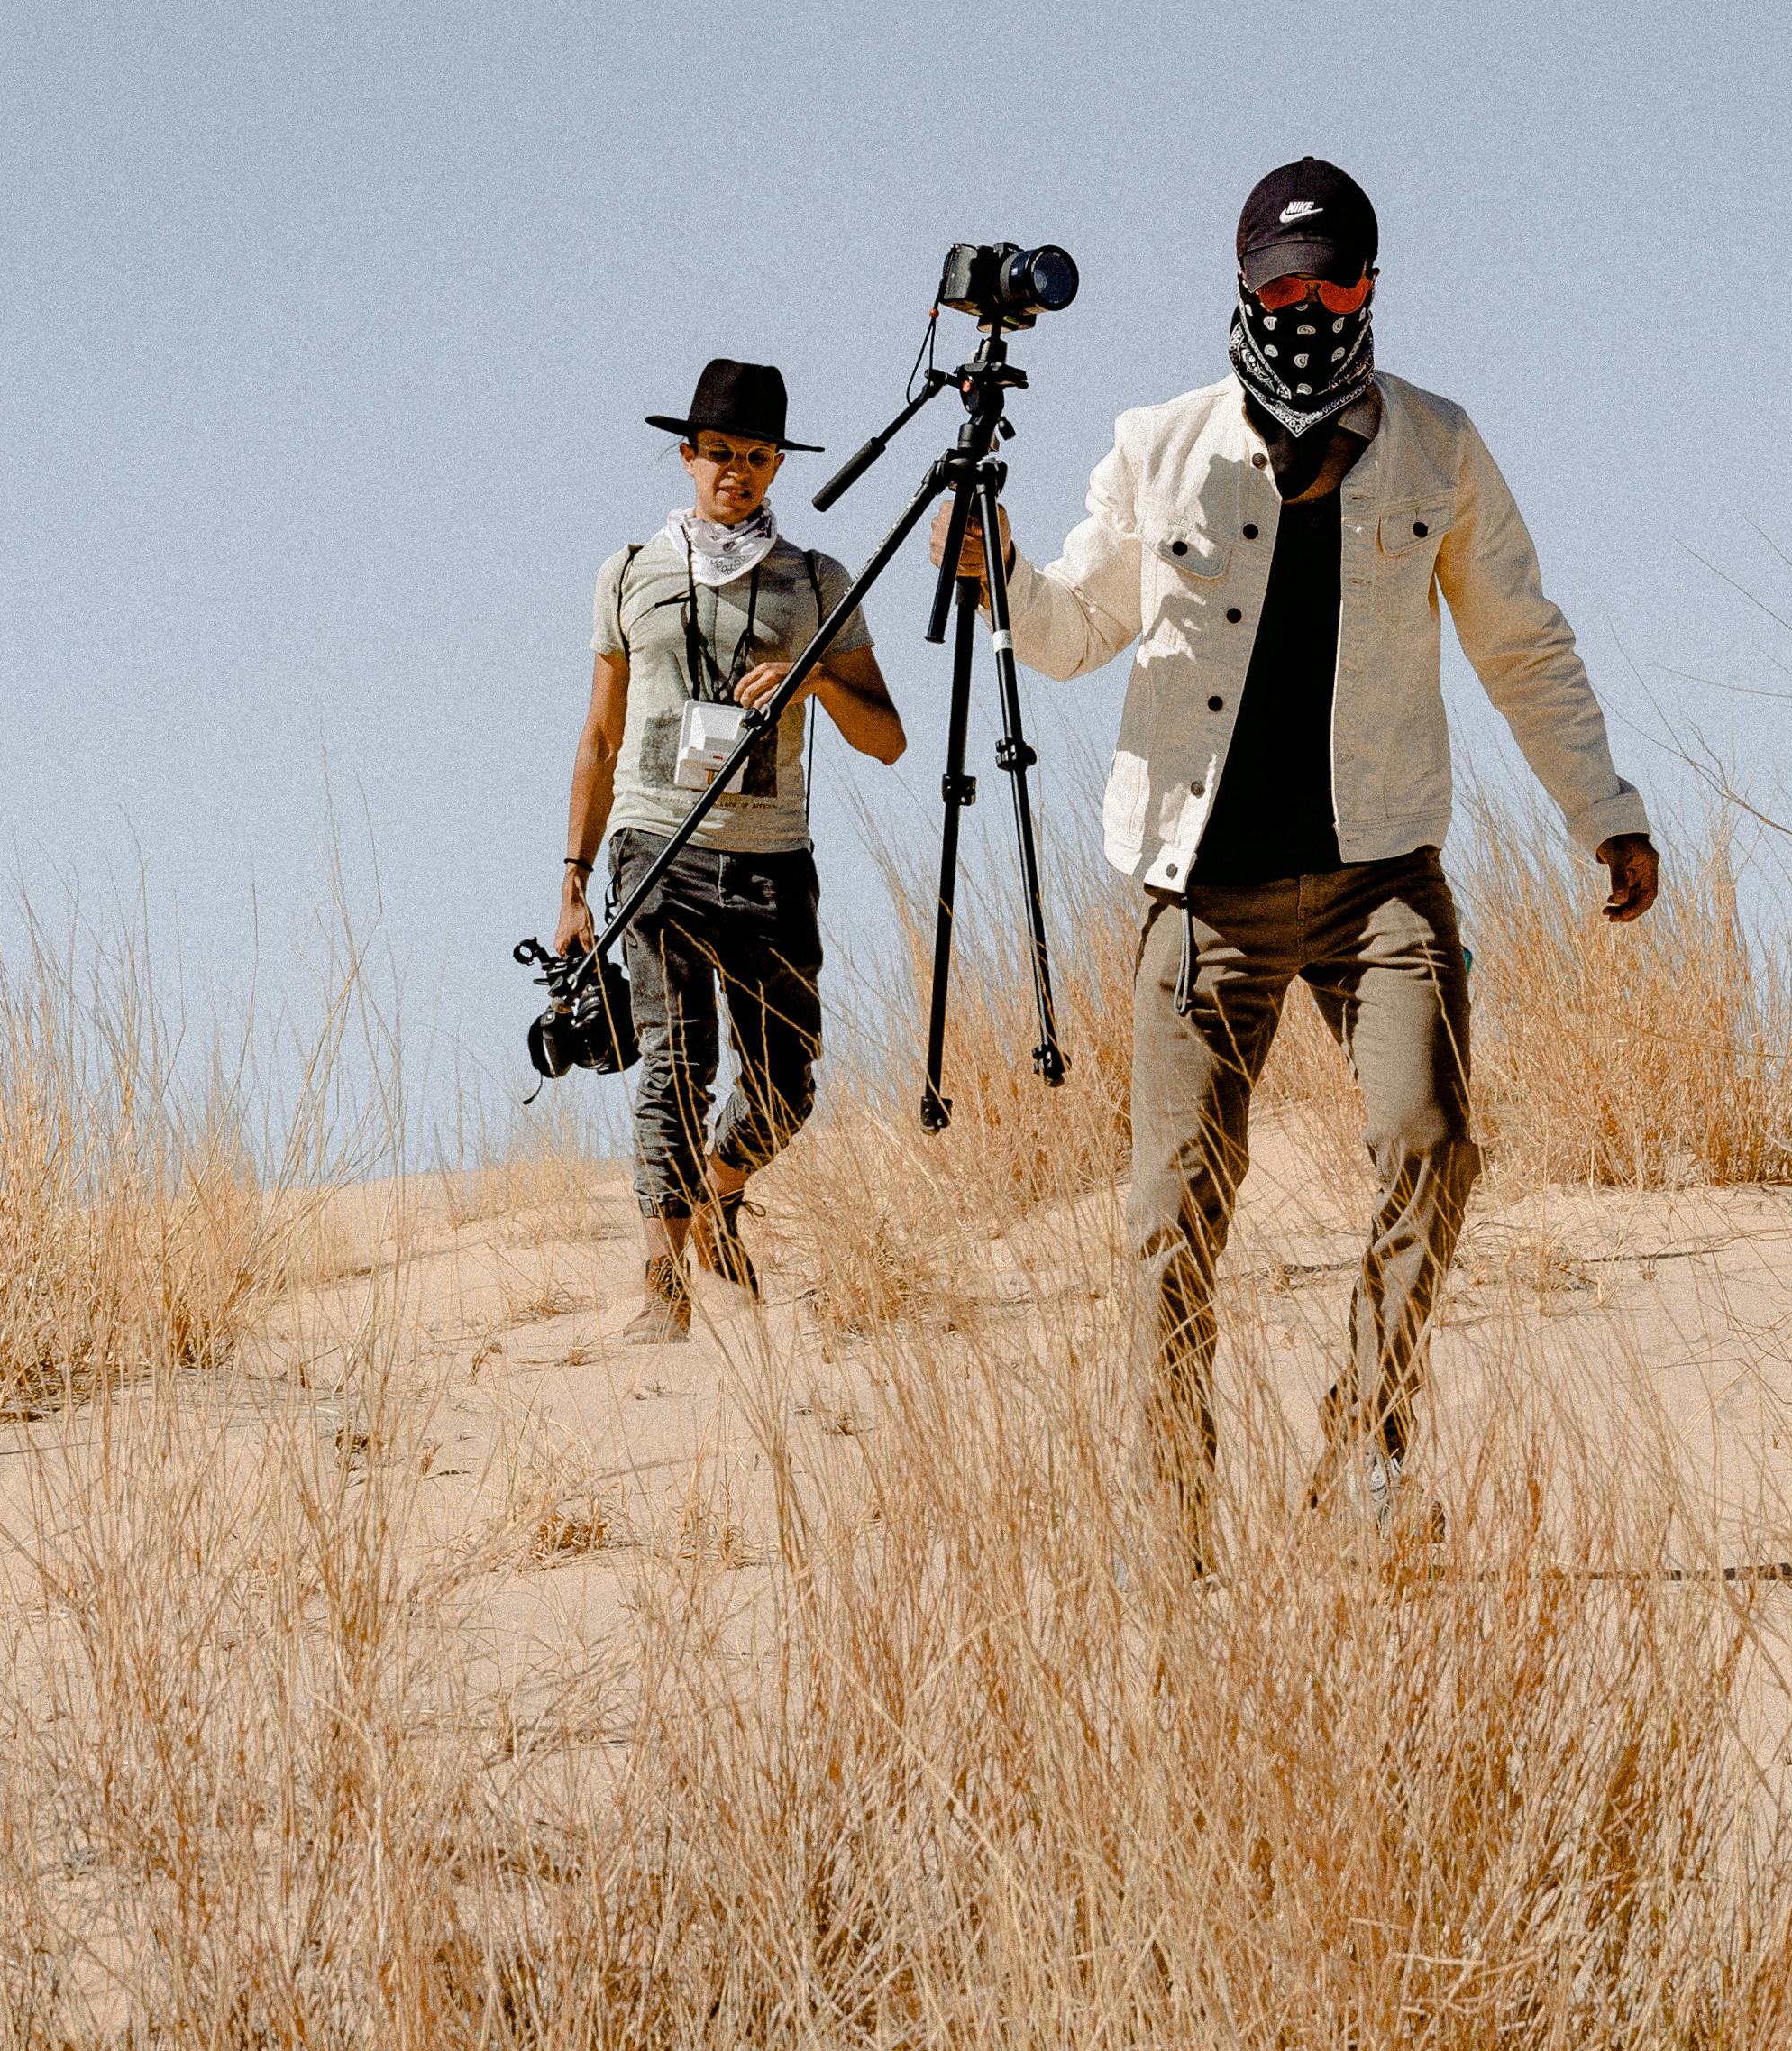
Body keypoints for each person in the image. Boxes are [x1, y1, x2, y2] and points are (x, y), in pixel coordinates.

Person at [952, 160, 1654, 1538]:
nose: (1303, 306)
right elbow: (1073, 631)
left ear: (1369, 286)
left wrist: (1604, 807)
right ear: (1241, 286)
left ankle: (1366, 1457)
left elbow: (1521, 640)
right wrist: (998, 571)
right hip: (1199, 890)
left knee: (1430, 1137)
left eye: (1329, 280)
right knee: (1172, 1214)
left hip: (1378, 875)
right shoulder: (1160, 444)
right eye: (1279, 282)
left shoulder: (1438, 445)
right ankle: (1175, 1523)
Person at [559, 354, 905, 1341]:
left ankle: (718, 1193)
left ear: (777, 467)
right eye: (719, 453)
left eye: (756, 456)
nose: (736, 472)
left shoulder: (817, 581)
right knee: (677, 1058)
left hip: (771, 856)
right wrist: (575, 879)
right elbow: (597, 735)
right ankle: (661, 1288)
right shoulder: (630, 572)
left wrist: (813, 683)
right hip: (653, 848)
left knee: (788, 1078)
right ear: (686, 455)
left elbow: (888, 740)